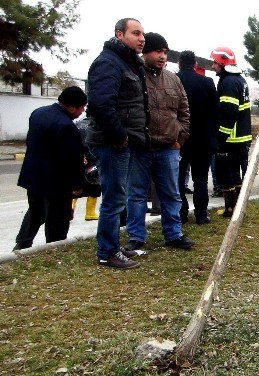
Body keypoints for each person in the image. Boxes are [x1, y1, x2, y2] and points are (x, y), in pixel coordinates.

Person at [125, 32, 194, 252]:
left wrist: (180, 137)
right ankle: (136, 237)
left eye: (165, 52)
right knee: (136, 196)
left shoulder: (174, 79)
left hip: (168, 148)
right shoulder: (134, 76)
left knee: (171, 194)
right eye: (157, 51)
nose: (162, 56)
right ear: (145, 53)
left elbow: (184, 110)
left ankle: (173, 234)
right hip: (140, 148)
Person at [87, 17, 147, 269]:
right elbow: (101, 105)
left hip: (125, 141)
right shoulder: (108, 63)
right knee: (113, 199)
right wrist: (119, 136)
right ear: (119, 35)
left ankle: (112, 244)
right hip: (112, 143)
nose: (141, 38)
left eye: (142, 33)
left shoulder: (129, 63)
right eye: (135, 33)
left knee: (118, 197)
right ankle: (107, 252)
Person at [13, 87, 87, 250]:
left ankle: (22, 243)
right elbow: (71, 160)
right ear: (72, 107)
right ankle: (55, 248)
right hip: (55, 184)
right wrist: (77, 185)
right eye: (82, 108)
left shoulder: (38, 113)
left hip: (33, 177)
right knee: (57, 220)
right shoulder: (66, 126)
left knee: (35, 212)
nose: (82, 112)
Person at [176, 50, 218, 225]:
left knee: (178, 178)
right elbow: (216, 110)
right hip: (203, 139)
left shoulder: (174, 80)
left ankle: (182, 213)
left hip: (179, 139)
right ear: (195, 64)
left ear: (179, 63)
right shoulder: (207, 82)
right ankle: (201, 215)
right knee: (200, 178)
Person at [210, 46, 252, 217]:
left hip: (230, 139)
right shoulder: (240, 80)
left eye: (214, 62)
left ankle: (230, 209)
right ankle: (237, 208)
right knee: (235, 174)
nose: (213, 66)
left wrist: (220, 137)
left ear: (223, 62)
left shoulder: (228, 83)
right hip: (241, 137)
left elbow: (228, 113)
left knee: (224, 174)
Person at [72, 115, 102, 221]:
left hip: (78, 158)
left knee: (76, 186)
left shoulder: (77, 124)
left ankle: (70, 209)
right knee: (95, 186)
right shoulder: (96, 125)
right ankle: (90, 213)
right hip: (93, 158)